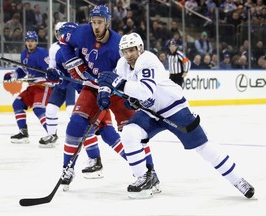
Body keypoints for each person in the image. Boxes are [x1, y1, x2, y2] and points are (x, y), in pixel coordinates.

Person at [97, 32, 255, 199]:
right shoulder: (122, 64)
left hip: (174, 108)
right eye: (125, 51)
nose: (129, 55)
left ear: (140, 48)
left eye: (132, 50)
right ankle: (143, 177)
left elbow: (144, 90)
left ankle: (238, 180)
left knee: (203, 147)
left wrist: (119, 85)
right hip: (150, 112)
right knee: (130, 133)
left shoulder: (147, 60)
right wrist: (104, 91)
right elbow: (112, 80)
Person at [46, 5, 160, 192]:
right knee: (75, 125)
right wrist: (72, 64)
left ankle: (149, 172)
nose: (96, 26)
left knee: (133, 132)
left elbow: (130, 72)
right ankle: (67, 169)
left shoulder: (118, 45)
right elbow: (63, 42)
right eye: (93, 22)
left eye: (99, 22)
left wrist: (127, 92)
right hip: (91, 88)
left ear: (107, 23)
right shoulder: (82, 33)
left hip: (116, 91)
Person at [38, 22, 82, 148]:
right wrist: (52, 75)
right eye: (59, 33)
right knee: (50, 109)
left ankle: (80, 135)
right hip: (62, 83)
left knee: (70, 110)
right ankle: (52, 135)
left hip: (73, 83)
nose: (61, 36)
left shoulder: (77, 48)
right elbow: (52, 68)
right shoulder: (54, 48)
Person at [3, 31, 51, 144]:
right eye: (28, 41)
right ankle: (23, 133)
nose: (30, 43)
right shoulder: (24, 54)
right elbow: (23, 70)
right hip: (32, 87)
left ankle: (51, 134)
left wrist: (44, 77)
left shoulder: (43, 53)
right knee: (17, 104)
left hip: (43, 86)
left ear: (36, 42)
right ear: (25, 41)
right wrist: (13, 75)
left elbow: (50, 70)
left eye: (32, 41)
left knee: (38, 109)